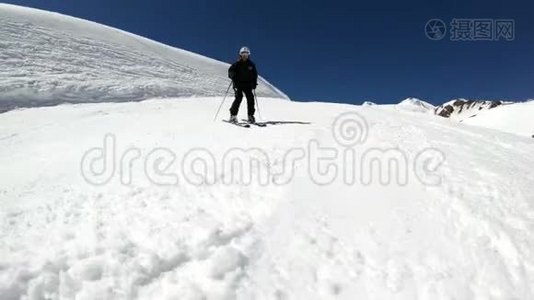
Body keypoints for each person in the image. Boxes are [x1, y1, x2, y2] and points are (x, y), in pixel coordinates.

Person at [227, 46, 258, 123]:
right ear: (240, 55)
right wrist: (232, 75)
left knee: (250, 99)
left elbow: (254, 75)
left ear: (248, 55)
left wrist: (254, 83)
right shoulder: (237, 64)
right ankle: (233, 116)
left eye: (246, 54)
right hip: (238, 84)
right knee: (239, 98)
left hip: (248, 85)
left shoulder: (251, 65)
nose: (245, 55)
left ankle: (250, 116)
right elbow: (230, 71)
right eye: (243, 54)